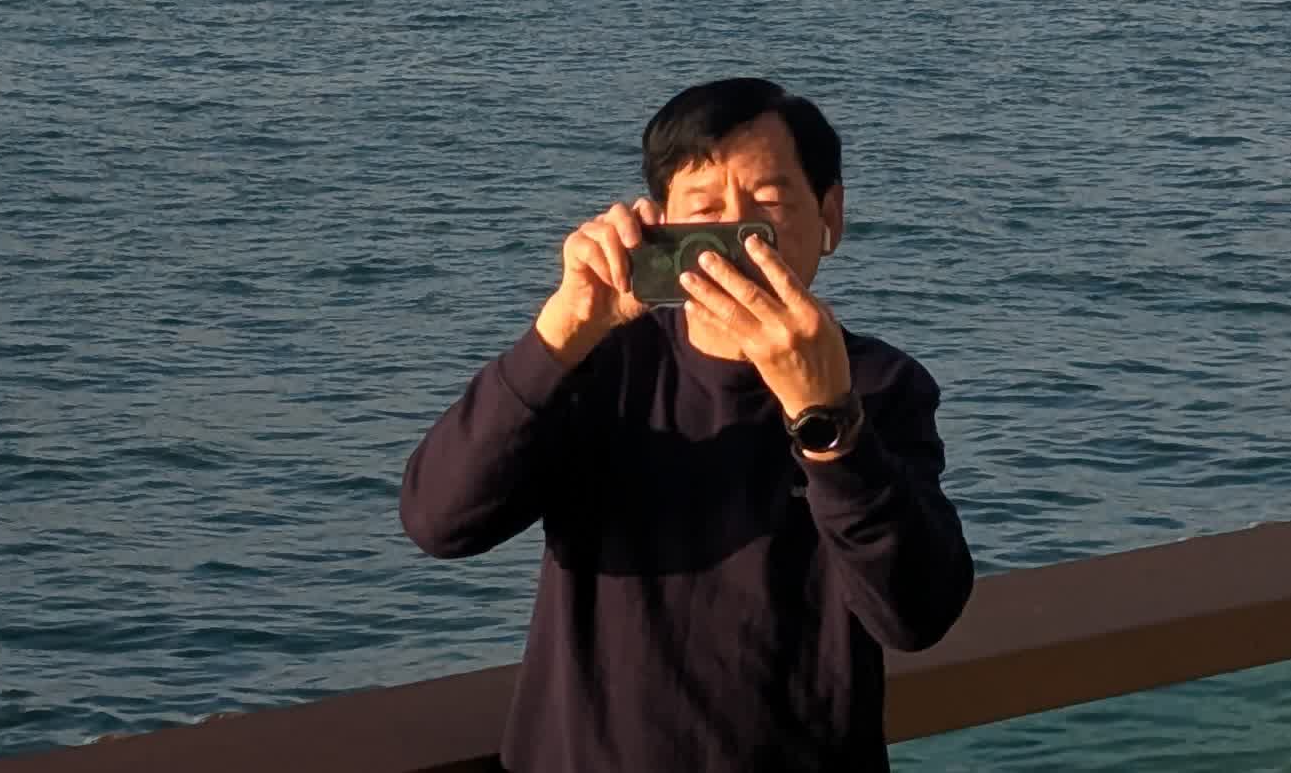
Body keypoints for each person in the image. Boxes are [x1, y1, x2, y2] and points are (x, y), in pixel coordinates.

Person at [399, 77, 975, 773]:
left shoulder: (880, 387)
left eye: (764, 210)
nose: (732, 242)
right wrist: (558, 336)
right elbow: (439, 521)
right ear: (659, 227)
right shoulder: (599, 369)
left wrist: (826, 418)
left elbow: (916, 612)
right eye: (705, 214)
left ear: (831, 216)